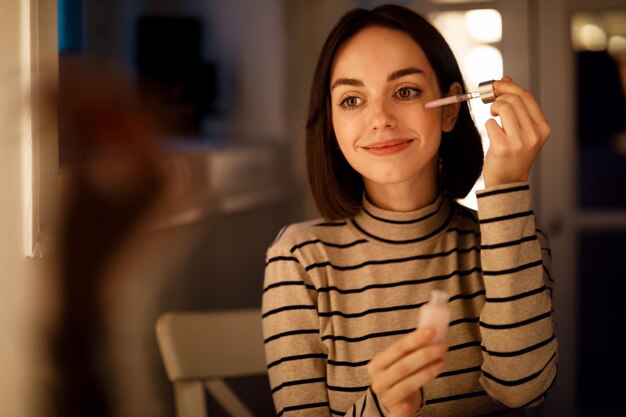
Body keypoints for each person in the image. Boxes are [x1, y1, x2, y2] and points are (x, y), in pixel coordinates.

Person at [262, 4, 557, 417]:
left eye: (405, 91)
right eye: (351, 99)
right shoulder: (298, 259)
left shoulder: (514, 237)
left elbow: (521, 389)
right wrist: (381, 409)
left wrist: (507, 189)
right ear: (332, 124)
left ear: (452, 108)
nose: (379, 118)